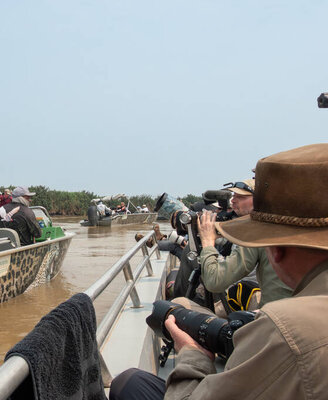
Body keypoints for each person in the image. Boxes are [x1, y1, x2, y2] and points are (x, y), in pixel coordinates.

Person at [110, 143, 328, 400]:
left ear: (276, 249)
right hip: (252, 310)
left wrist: (193, 357)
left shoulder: (284, 331)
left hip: (255, 319)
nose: (233, 201)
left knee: (129, 383)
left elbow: (214, 280)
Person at [197, 178, 292, 307]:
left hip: (272, 316)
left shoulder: (257, 232)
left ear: (258, 200)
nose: (233, 200)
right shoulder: (294, 227)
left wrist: (207, 241)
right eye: (233, 196)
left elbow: (214, 281)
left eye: (240, 197)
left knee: (179, 305)